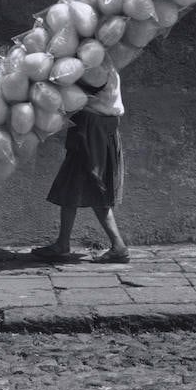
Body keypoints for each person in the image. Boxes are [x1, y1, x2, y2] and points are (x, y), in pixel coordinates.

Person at [32, 56, 130, 264]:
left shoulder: (98, 69)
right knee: (72, 187)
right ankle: (63, 244)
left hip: (93, 131)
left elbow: (69, 89)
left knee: (94, 187)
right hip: (93, 129)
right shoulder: (104, 64)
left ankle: (118, 245)